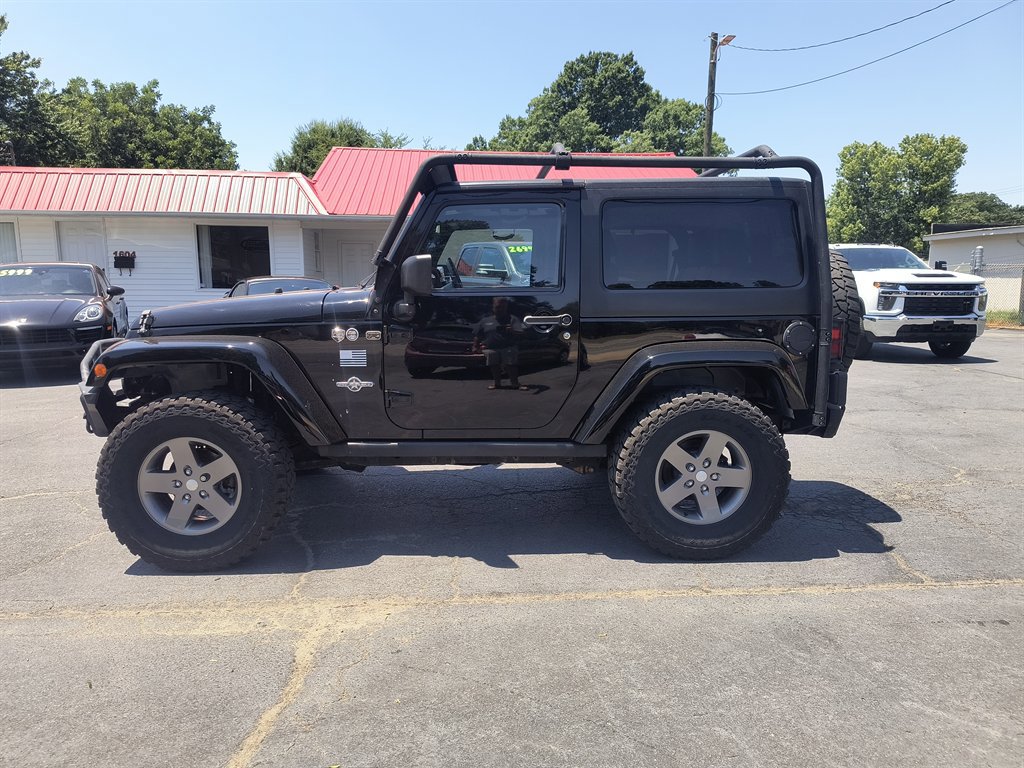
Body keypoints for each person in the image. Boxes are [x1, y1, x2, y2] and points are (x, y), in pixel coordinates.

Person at [472, 297, 528, 390]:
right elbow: (478, 335)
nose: (500, 309)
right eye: (498, 306)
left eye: (502, 307)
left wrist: (512, 330)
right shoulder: (485, 320)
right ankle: (497, 384)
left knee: (511, 365)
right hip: (491, 348)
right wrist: (475, 346)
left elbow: (521, 332)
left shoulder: (512, 319)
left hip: (508, 347)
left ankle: (515, 384)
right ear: (493, 307)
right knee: (494, 366)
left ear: (506, 307)